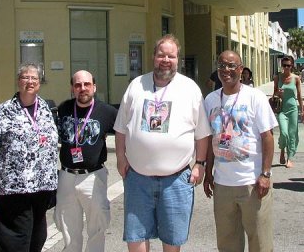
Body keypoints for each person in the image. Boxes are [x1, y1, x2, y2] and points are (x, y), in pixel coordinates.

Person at [114, 34, 211, 252]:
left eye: (171, 56)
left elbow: (202, 132)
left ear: (178, 60)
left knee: (172, 241)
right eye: (161, 55)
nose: (165, 60)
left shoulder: (190, 88)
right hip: (138, 179)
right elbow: (121, 127)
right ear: (153, 57)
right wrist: (120, 157)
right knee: (136, 237)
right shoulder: (136, 85)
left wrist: (200, 164)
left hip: (176, 179)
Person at [203, 50, 278, 252]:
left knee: (260, 244)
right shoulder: (210, 100)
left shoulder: (255, 97)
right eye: (221, 65)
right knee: (227, 244)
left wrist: (265, 174)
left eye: (231, 66)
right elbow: (210, 138)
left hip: (252, 184)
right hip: (222, 185)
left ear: (241, 69)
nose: (226, 70)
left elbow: (267, 137)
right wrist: (208, 173)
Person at [0, 63, 58, 252]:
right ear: (18, 81)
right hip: (13, 189)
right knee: (14, 242)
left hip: (42, 188)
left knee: (37, 239)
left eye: (34, 78)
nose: (30, 82)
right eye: (25, 77)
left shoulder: (47, 109)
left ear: (39, 82)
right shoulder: (3, 111)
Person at [54, 70, 117, 252]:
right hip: (66, 176)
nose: (83, 88)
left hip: (93, 177)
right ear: (72, 88)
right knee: (67, 227)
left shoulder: (107, 111)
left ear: (94, 87)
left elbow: (125, 134)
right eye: (78, 85)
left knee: (97, 227)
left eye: (87, 84)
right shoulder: (64, 108)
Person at [273, 56, 304, 168]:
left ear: (292, 66)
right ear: (282, 65)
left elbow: (299, 96)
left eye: (288, 65)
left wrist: (302, 111)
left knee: (292, 134)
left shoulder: (296, 78)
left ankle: (290, 157)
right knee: (284, 133)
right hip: (282, 109)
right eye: (284, 65)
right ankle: (282, 150)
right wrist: (278, 94)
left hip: (293, 110)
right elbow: (274, 95)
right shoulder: (277, 78)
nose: (286, 67)